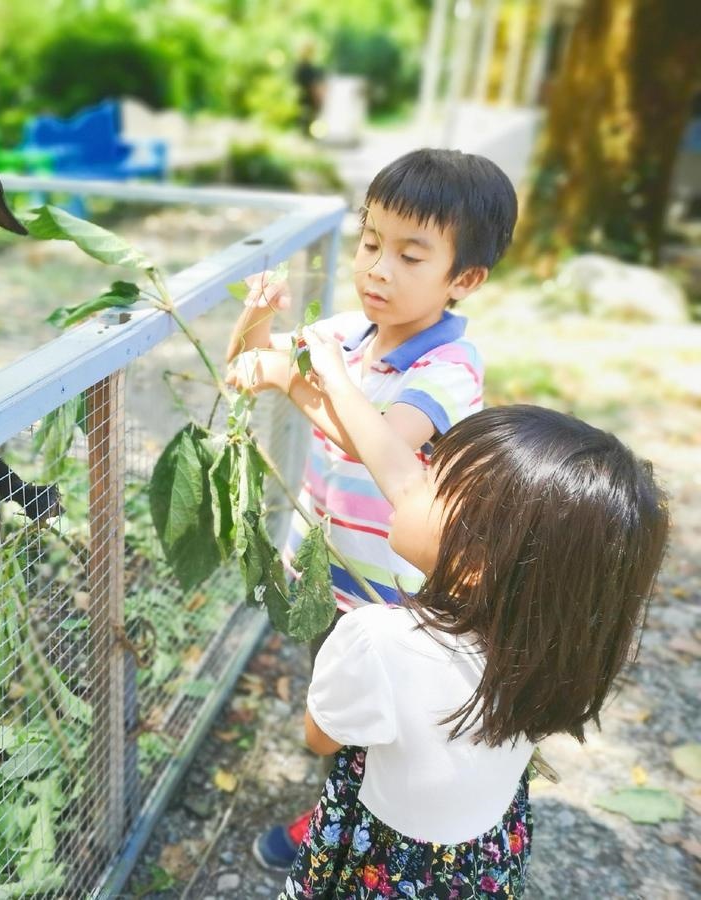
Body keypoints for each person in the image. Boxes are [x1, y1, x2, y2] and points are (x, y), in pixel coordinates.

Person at [272, 334, 669, 897]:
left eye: (432, 478)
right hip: (480, 859)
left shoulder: (378, 639)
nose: (411, 479)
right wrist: (335, 378)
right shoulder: (547, 644)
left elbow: (321, 739)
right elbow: (398, 474)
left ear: (478, 561)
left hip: (380, 858)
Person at [225, 147, 519, 871]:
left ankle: (371, 836)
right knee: (342, 705)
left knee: (380, 726)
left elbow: (378, 442)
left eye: (411, 255)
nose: (378, 268)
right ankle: (343, 819)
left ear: (465, 279)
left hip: (397, 596)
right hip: (328, 575)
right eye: (371, 242)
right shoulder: (343, 339)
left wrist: (311, 381)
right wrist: (255, 325)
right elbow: (247, 370)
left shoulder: (449, 369)